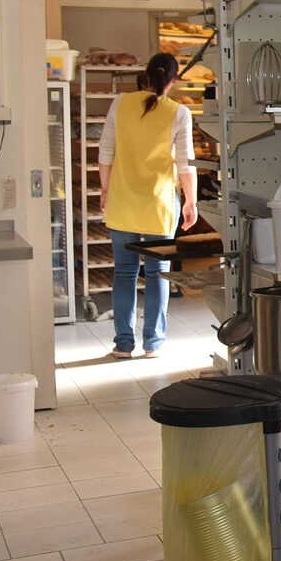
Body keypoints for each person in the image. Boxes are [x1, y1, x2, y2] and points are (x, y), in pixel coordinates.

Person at [99, 51, 196, 359]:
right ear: (173, 80)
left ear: (146, 75)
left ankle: (122, 345)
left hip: (123, 202)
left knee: (124, 273)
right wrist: (191, 202)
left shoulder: (121, 103)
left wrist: (104, 189)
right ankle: (153, 343)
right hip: (159, 205)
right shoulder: (179, 112)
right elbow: (185, 165)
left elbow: (105, 152)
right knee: (158, 272)